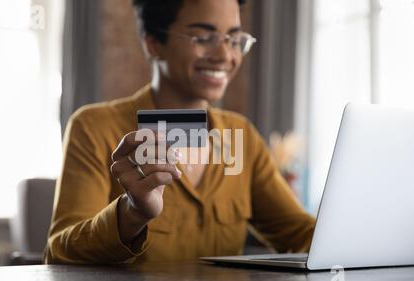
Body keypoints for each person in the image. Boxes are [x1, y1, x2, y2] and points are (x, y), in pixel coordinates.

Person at [45, 0, 316, 265]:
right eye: (202, 38)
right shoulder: (94, 128)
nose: (225, 56)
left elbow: (301, 233)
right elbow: (58, 254)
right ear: (153, 43)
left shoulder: (240, 136)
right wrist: (132, 213)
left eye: (233, 40)